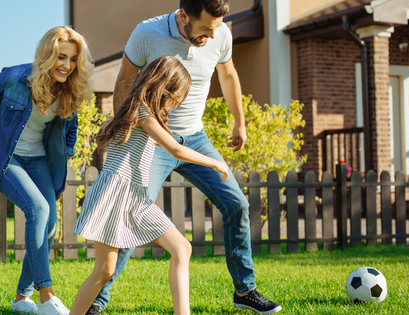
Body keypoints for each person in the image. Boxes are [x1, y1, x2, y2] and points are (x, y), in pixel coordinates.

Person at [84, 1, 282, 314]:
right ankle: (96, 302)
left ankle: (245, 291)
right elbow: (123, 82)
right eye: (205, 28)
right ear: (184, 16)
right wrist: (126, 125)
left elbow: (228, 75)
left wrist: (239, 121)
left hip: (195, 138)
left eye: (216, 28)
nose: (211, 34)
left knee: (237, 204)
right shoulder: (147, 33)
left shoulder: (220, 33)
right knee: (130, 213)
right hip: (153, 138)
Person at [0, 26, 94, 315]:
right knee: (37, 209)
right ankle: (47, 294)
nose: (67, 66)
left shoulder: (69, 89)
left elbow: (69, 133)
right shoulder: (14, 77)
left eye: (73, 60)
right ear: (47, 55)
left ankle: (22, 298)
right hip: (5, 156)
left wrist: (63, 165)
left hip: (38, 161)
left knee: (49, 226)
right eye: (61, 57)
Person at [69, 56, 229, 315]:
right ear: (164, 86)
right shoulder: (140, 110)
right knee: (104, 270)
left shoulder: (148, 114)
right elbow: (176, 149)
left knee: (181, 248)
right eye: (177, 95)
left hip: (137, 197)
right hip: (116, 193)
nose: (177, 102)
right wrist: (215, 162)